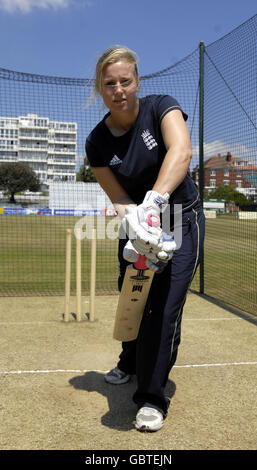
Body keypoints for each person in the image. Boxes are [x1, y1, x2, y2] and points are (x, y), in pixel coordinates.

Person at [85, 45, 205, 432]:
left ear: (137, 81)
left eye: (125, 81)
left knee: (164, 306)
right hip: (139, 224)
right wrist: (137, 218)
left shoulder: (160, 107)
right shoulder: (96, 142)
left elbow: (181, 151)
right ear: (100, 89)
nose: (118, 89)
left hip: (179, 217)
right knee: (132, 296)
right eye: (109, 84)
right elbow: (117, 195)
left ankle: (152, 397)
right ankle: (129, 361)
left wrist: (154, 201)